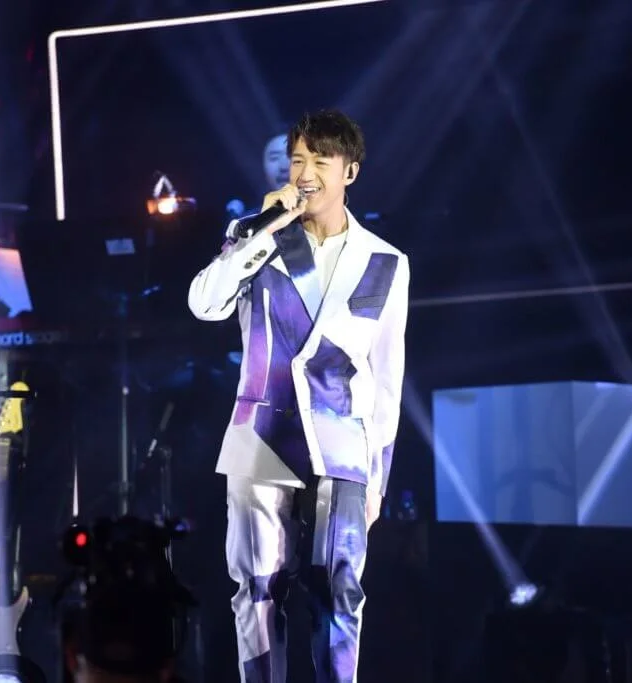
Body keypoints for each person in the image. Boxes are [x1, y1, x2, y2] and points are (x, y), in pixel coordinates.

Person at [187, 109, 410, 683]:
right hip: (262, 433)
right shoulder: (256, 237)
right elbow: (204, 303)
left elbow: (387, 378)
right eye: (297, 161)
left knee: (340, 589)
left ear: (349, 171)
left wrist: (378, 476)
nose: (305, 174)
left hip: (341, 442)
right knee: (257, 589)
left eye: (320, 161)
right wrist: (261, 230)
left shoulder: (386, 261)